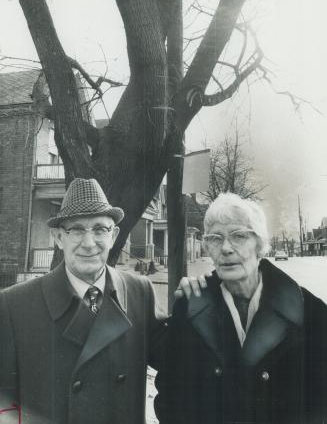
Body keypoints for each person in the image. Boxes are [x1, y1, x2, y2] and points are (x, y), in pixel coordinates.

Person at [0, 178, 166, 424]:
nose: (89, 243)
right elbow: (5, 403)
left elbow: (181, 364)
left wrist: (198, 300)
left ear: (114, 236)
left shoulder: (139, 292)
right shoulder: (14, 305)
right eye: (76, 230)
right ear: (58, 238)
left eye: (100, 229)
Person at [155, 192, 327, 424]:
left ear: (260, 245)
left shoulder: (310, 311)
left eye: (238, 236)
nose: (226, 248)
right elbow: (170, 395)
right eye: (215, 238)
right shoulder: (189, 307)